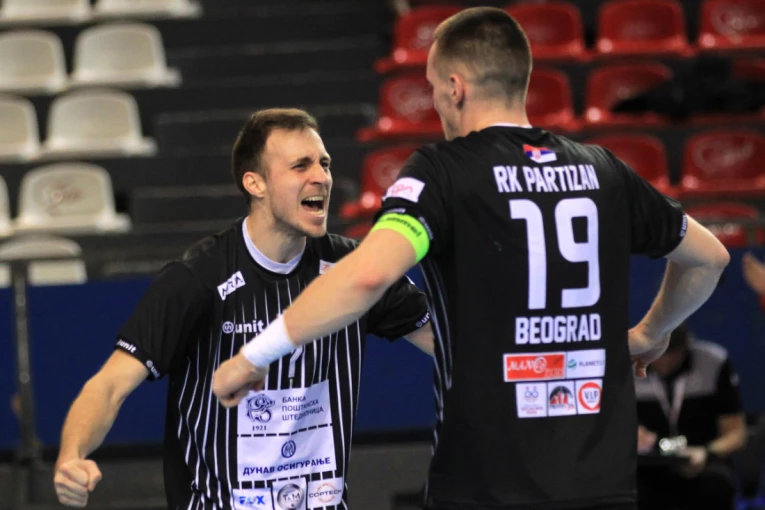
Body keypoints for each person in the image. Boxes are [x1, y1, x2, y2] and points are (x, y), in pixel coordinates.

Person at [212, 8, 730, 510]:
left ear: (455, 87)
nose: (436, 102)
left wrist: (254, 356)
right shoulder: (602, 169)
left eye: (433, 88)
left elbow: (369, 275)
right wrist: (652, 331)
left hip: (487, 483)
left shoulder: (444, 173)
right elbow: (709, 257)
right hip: (602, 484)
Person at [53, 108, 434, 509]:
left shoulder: (354, 271)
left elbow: (449, 344)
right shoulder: (197, 277)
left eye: (324, 164)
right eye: (300, 165)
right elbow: (109, 385)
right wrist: (71, 457)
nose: (321, 177)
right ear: (255, 183)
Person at [635, 324, 746, 510]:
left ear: (687, 346)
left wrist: (706, 453)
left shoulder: (713, 362)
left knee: (716, 485)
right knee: (631, 489)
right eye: (657, 354)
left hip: (703, 459)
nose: (665, 361)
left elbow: (737, 433)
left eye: (672, 353)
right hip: (649, 463)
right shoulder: (628, 364)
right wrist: (631, 436)